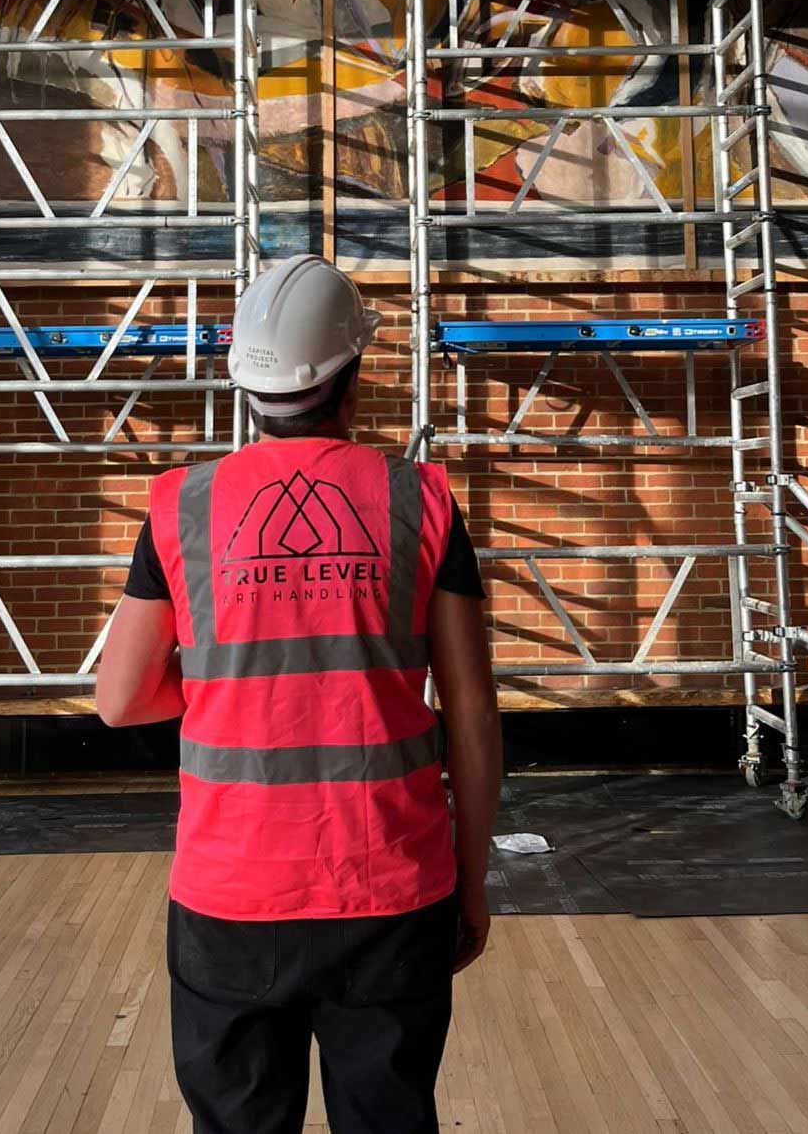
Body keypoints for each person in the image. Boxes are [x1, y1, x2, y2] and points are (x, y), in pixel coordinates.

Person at [96, 254, 503, 1134]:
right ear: (356, 373)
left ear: (243, 378)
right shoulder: (421, 499)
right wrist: (472, 881)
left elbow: (119, 700)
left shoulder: (182, 505)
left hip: (230, 896)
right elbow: (472, 710)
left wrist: (224, 685)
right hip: (392, 890)